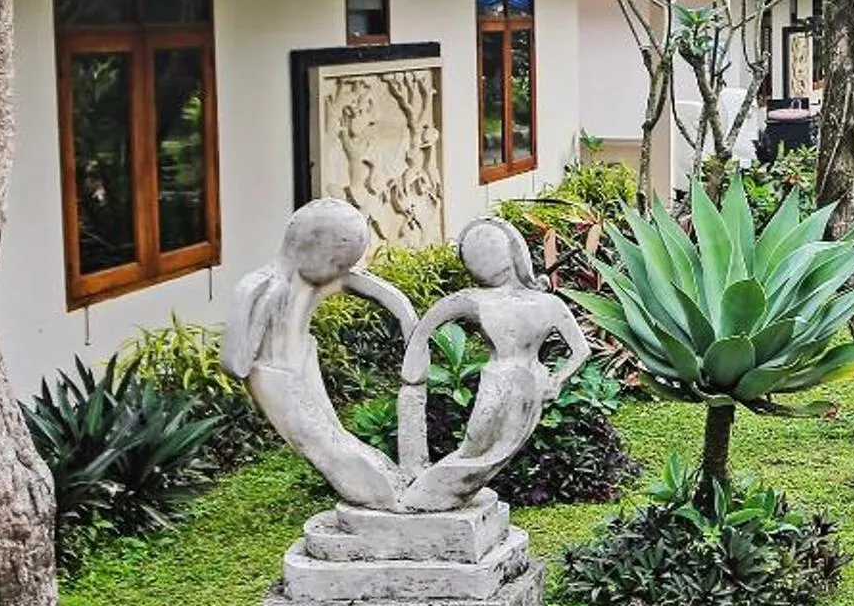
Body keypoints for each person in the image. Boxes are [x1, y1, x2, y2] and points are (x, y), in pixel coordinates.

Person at [224, 199, 419, 512]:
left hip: (304, 360)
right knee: (323, 443)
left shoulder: (322, 278)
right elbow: (235, 362)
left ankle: (390, 488)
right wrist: (250, 351)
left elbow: (380, 292)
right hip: (273, 377)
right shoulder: (262, 286)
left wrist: (411, 326)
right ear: (309, 247)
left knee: (335, 434)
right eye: (337, 262)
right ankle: (380, 495)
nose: (343, 272)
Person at [398, 215, 592, 511]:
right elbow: (428, 323)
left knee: (495, 451)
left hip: (529, 385)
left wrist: (557, 380)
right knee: (475, 445)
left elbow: (581, 350)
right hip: (498, 380)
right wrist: (414, 364)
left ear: (514, 253)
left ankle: (432, 494)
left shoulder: (547, 304)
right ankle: (433, 493)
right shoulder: (476, 299)